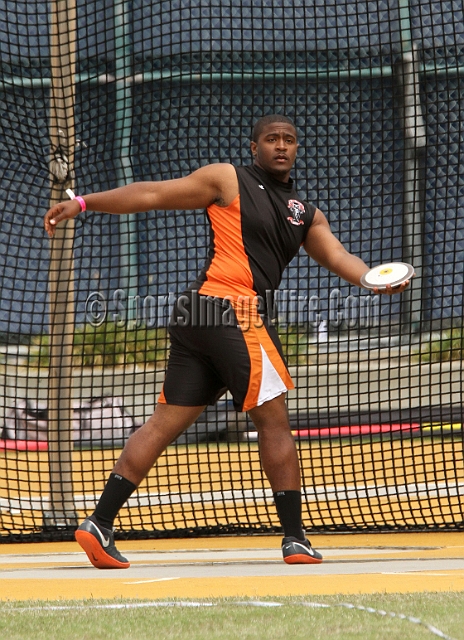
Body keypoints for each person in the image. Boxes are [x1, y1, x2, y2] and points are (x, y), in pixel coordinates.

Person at [44, 114, 410, 569]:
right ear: (253, 146)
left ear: (297, 149)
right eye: (271, 139)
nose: (281, 146)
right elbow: (153, 194)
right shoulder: (227, 179)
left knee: (162, 424)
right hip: (230, 310)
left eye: (289, 140)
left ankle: (98, 521)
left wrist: (373, 279)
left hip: (198, 317)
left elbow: (336, 255)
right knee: (274, 421)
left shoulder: (305, 211)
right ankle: (295, 539)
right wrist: (83, 202)